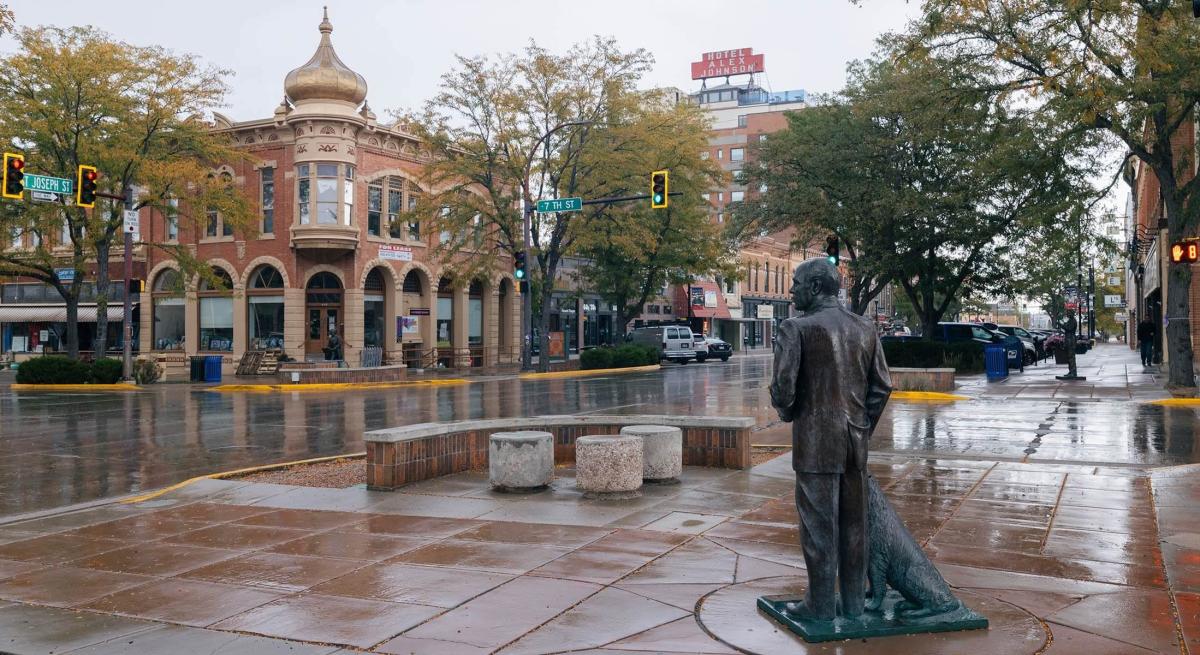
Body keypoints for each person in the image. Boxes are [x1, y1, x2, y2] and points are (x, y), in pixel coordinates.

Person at [769, 258, 892, 622]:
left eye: (796, 284)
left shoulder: (796, 328)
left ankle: (820, 606)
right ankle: (853, 607)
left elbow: (783, 390)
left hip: (816, 443)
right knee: (855, 530)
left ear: (816, 287)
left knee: (818, 529)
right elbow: (882, 387)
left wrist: (788, 411)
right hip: (855, 444)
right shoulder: (865, 326)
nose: (791, 291)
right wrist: (861, 427)